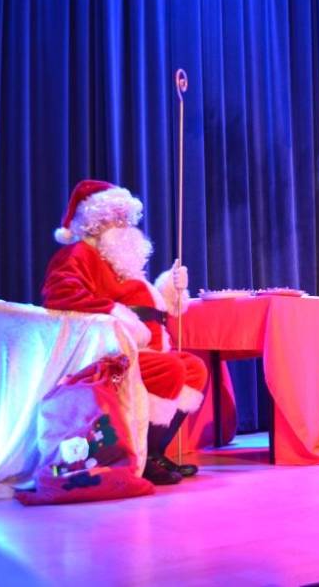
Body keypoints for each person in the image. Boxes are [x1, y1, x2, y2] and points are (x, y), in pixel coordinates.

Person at [42, 179, 207, 485]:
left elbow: (144, 301)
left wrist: (171, 288)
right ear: (94, 222)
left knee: (194, 368)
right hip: (107, 353)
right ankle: (139, 457)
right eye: (114, 218)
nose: (124, 225)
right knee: (169, 369)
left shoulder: (119, 261)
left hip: (141, 349)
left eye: (125, 218)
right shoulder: (77, 254)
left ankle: (153, 450)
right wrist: (118, 316)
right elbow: (61, 295)